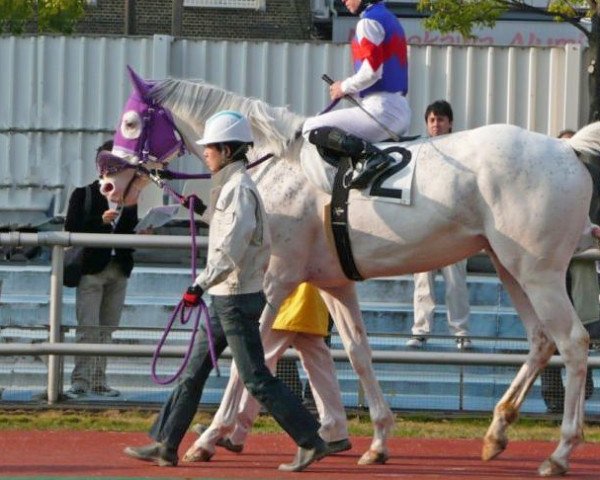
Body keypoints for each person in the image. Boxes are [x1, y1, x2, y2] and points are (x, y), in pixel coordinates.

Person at [127, 110, 329, 472]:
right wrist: (202, 209)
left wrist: (197, 285)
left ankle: (311, 440)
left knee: (255, 378)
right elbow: (229, 231)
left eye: (210, 148)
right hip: (227, 299)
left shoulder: (238, 190)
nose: (205, 153)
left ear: (226, 149)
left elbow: (231, 249)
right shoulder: (234, 186)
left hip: (234, 300)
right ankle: (166, 444)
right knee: (194, 372)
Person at [193, 282, 350, 456]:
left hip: (287, 302)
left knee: (253, 364)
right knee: (319, 365)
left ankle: (234, 432)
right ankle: (336, 431)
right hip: (310, 301)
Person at [302, 0, 411, 189]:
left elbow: (372, 72)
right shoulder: (389, 17)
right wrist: (353, 89)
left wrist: (343, 87)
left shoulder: (368, 22)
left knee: (310, 126)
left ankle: (369, 157)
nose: (343, 1)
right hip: (398, 108)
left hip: (382, 110)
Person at [64, 140, 139, 398]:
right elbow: (71, 230)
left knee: (107, 329)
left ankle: (98, 381)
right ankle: (80, 381)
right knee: (88, 327)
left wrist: (144, 229)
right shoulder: (83, 194)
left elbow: (129, 229)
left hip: (118, 269)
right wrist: (100, 221)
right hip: (91, 269)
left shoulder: (129, 199)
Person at [540, 128, 599, 413]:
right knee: (551, 334)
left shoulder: (589, 181)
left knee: (583, 331)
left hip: (582, 271)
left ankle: (581, 398)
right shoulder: (541, 185)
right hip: (552, 273)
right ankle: (553, 401)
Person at [405, 101, 472, 350]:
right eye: (432, 120)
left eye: (441, 119)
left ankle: (461, 332)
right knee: (423, 282)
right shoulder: (418, 150)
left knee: (456, 283)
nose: (436, 124)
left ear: (450, 123)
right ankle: (421, 330)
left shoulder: (462, 151)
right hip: (424, 228)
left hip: (454, 229)